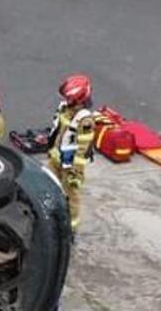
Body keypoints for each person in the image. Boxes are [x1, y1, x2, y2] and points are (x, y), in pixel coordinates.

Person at [48, 74, 99, 230]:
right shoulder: (65, 108)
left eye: (71, 99)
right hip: (56, 157)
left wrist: (75, 173)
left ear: (80, 100)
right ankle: (51, 217)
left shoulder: (85, 121)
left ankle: (70, 226)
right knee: (49, 186)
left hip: (70, 165)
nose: (67, 101)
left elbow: (83, 150)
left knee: (71, 195)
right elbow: (58, 131)